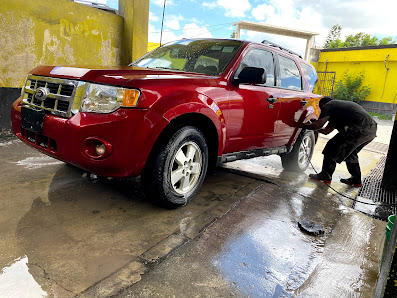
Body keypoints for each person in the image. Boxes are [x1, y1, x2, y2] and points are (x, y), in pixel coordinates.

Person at [304, 97, 377, 187]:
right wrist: (315, 128)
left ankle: (326, 175)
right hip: (371, 130)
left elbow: (319, 124)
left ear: (322, 105)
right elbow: (326, 131)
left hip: (357, 129)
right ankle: (356, 180)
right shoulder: (338, 111)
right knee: (350, 153)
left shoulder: (329, 105)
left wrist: (303, 125)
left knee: (331, 147)